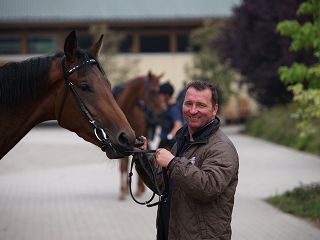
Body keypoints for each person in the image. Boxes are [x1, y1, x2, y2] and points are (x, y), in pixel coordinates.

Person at [139, 80, 239, 240]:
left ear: (215, 109)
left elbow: (208, 187)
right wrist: (142, 157)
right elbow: (161, 185)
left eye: (200, 105)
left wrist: (172, 162)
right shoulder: (183, 140)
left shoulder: (221, 147)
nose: (193, 110)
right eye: (188, 103)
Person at [157, 81, 183, 150]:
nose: (159, 96)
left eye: (160, 94)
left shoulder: (173, 109)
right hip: (164, 142)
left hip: (169, 145)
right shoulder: (167, 107)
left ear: (167, 95)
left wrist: (169, 137)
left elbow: (178, 125)